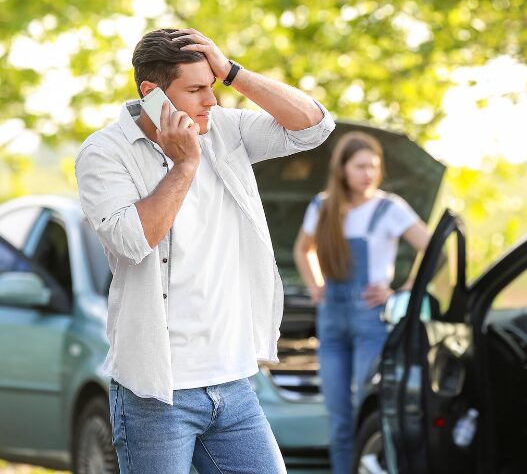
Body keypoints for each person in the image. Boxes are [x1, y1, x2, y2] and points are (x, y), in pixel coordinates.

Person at [75, 27, 335, 474]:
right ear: (152, 94)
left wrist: (233, 72)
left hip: (233, 384)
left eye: (212, 86)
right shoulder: (104, 152)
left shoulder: (226, 130)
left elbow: (314, 128)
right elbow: (134, 239)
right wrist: (186, 164)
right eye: (196, 90)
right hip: (156, 392)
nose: (210, 101)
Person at [293, 131, 430, 474]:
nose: (368, 173)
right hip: (331, 320)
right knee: (338, 416)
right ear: (342, 169)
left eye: (374, 166)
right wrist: (315, 285)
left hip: (372, 322)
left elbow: (433, 248)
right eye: (360, 166)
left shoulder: (389, 208)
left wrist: (401, 291)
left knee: (365, 411)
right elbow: (302, 248)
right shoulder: (322, 206)